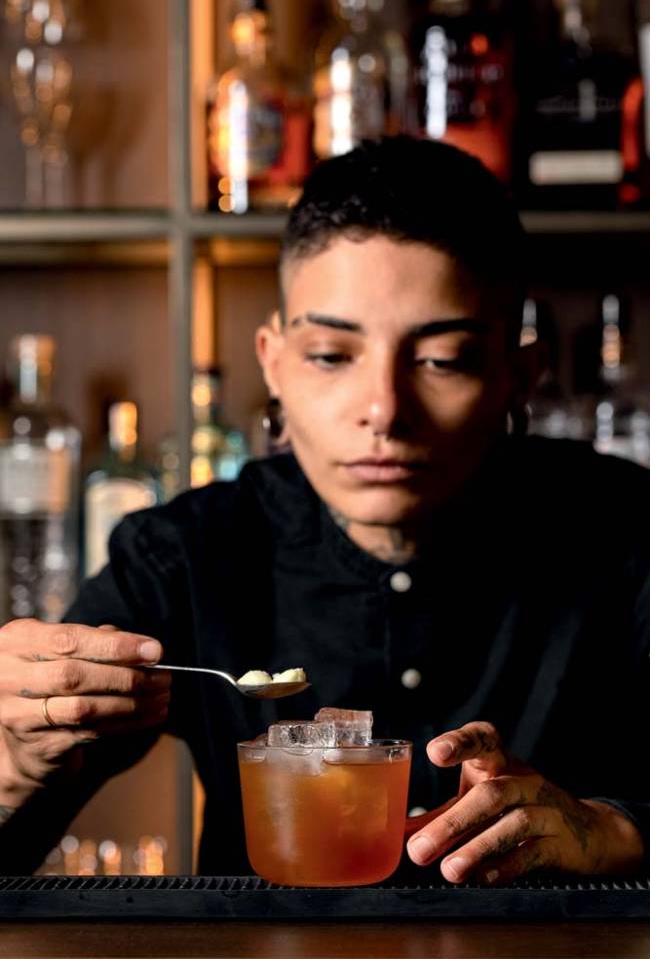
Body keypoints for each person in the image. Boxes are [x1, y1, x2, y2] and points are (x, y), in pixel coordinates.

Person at [0, 136, 648, 882]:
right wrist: (14, 765)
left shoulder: (628, 533)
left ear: (518, 375)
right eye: (332, 356)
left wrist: (618, 832)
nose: (383, 409)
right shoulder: (185, 552)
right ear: (274, 364)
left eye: (441, 360)